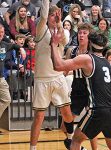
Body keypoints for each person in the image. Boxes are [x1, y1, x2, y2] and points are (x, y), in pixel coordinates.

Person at [50, 31, 111, 150]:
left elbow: (58, 66)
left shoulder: (87, 59)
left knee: (75, 141)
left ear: (89, 44)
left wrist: (54, 44)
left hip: (98, 110)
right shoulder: (107, 63)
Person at [30, 1, 74, 150]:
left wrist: (60, 23)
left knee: (67, 114)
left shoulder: (64, 31)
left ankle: (70, 139)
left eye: (56, 15)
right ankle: (33, 148)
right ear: (48, 16)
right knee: (39, 117)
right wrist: (46, 2)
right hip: (42, 79)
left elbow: (64, 39)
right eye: (52, 15)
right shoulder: (41, 30)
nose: (54, 17)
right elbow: (42, 16)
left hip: (57, 78)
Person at [62, 23, 98, 150]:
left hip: (90, 88)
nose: (81, 35)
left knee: (91, 126)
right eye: (79, 33)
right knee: (64, 125)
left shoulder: (93, 52)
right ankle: (75, 146)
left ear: (90, 36)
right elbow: (64, 70)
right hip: (76, 89)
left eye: (84, 33)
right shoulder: (72, 51)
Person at [0, 23, 26, 132]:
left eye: (1, 32)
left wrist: (21, 49)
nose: (0, 34)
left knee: (6, 99)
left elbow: (14, 45)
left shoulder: (4, 45)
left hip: (0, 78)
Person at [5, 34, 27, 100]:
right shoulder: (10, 50)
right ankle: (15, 92)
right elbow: (7, 63)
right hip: (8, 69)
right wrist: (18, 66)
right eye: (20, 39)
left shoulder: (24, 51)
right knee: (14, 73)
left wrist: (23, 68)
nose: (22, 41)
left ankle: (24, 91)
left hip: (19, 69)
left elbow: (24, 63)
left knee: (29, 73)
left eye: (23, 39)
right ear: (16, 41)